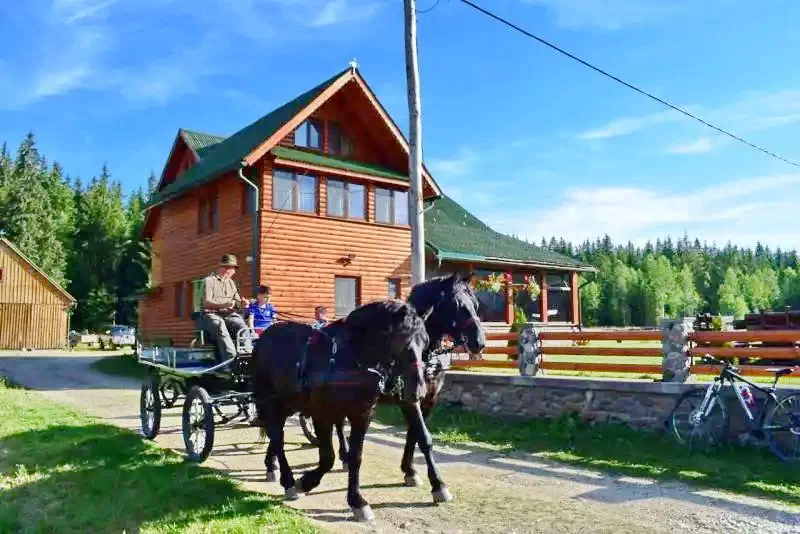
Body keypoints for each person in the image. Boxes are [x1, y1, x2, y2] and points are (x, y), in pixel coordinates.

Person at [200, 254, 249, 363]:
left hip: (228, 314)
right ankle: (231, 360)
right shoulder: (209, 281)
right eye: (228, 268)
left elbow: (236, 303)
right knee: (220, 326)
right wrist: (224, 305)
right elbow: (206, 303)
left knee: (242, 325)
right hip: (211, 314)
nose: (231, 271)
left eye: (232, 269)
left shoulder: (231, 283)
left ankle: (247, 355)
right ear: (221, 268)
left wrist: (242, 304)